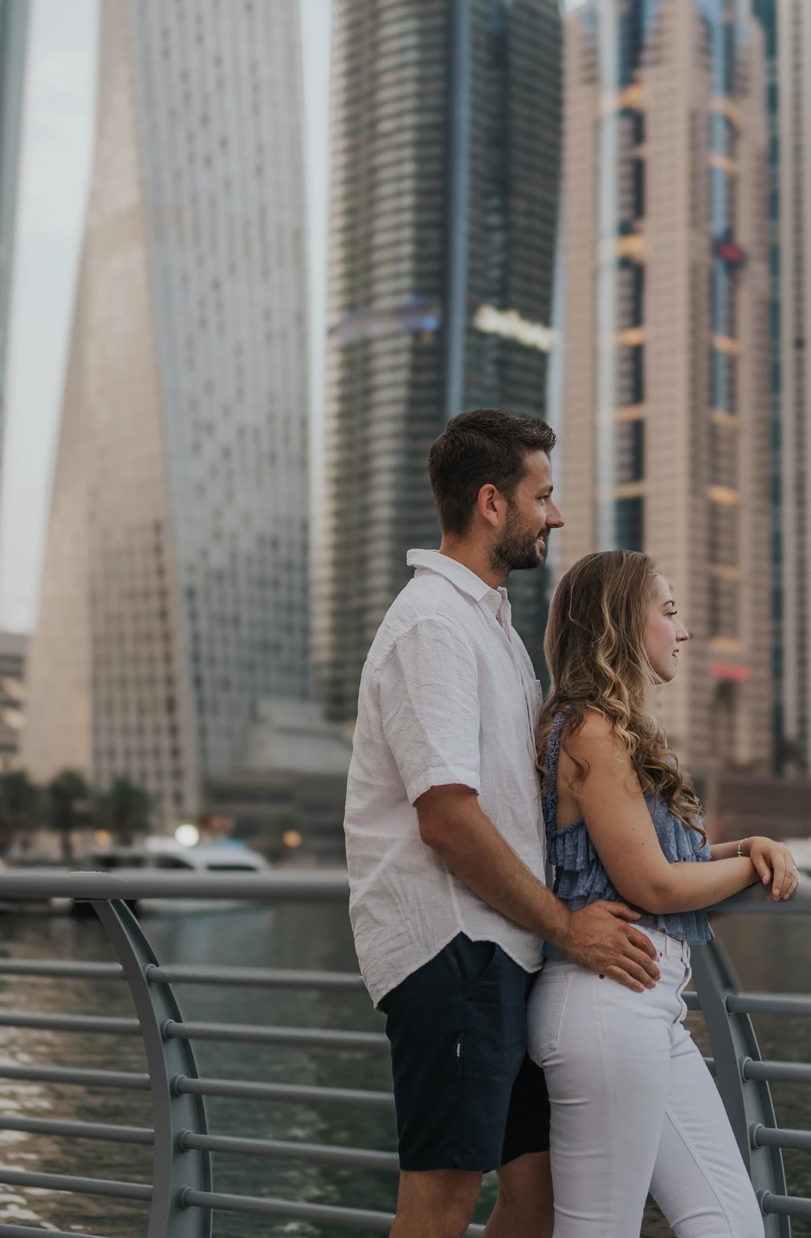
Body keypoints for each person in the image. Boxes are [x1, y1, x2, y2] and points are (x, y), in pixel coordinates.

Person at [344, 411, 661, 1238]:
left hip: (502, 952)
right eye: (542, 495)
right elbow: (447, 819)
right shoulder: (433, 627)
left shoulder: (487, 624)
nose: (553, 516)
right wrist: (568, 927)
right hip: (455, 954)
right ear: (492, 503)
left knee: (540, 1196)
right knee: (443, 1202)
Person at [529, 548, 799, 1237]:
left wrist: (744, 848)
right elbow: (650, 883)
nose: (681, 632)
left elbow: (650, 860)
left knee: (729, 1224)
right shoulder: (591, 731)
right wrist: (748, 870)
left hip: (642, 1010)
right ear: (624, 622)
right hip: (607, 1006)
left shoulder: (604, 729)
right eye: (669, 613)